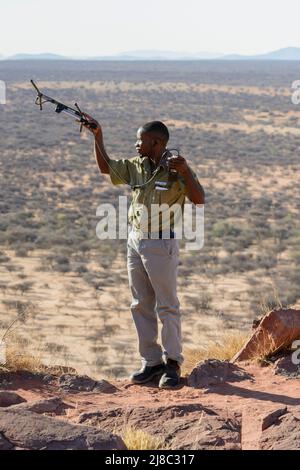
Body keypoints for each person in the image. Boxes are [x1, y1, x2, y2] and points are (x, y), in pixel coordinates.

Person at [83, 115, 205, 389]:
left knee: (167, 305)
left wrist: (185, 172)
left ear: (156, 142)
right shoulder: (137, 166)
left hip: (161, 244)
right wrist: (97, 135)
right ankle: (151, 363)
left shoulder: (176, 169)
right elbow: (106, 167)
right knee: (140, 304)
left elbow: (199, 199)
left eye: (141, 140)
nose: (137, 144)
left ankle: (172, 364)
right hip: (136, 240)